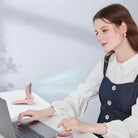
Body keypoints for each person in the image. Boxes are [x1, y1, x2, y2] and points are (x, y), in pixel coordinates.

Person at [18, 4, 138, 138]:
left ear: (123, 27)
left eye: (104, 30)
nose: (98, 38)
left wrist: (88, 126)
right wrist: (45, 112)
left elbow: (134, 126)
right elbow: (81, 95)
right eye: (97, 32)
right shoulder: (107, 61)